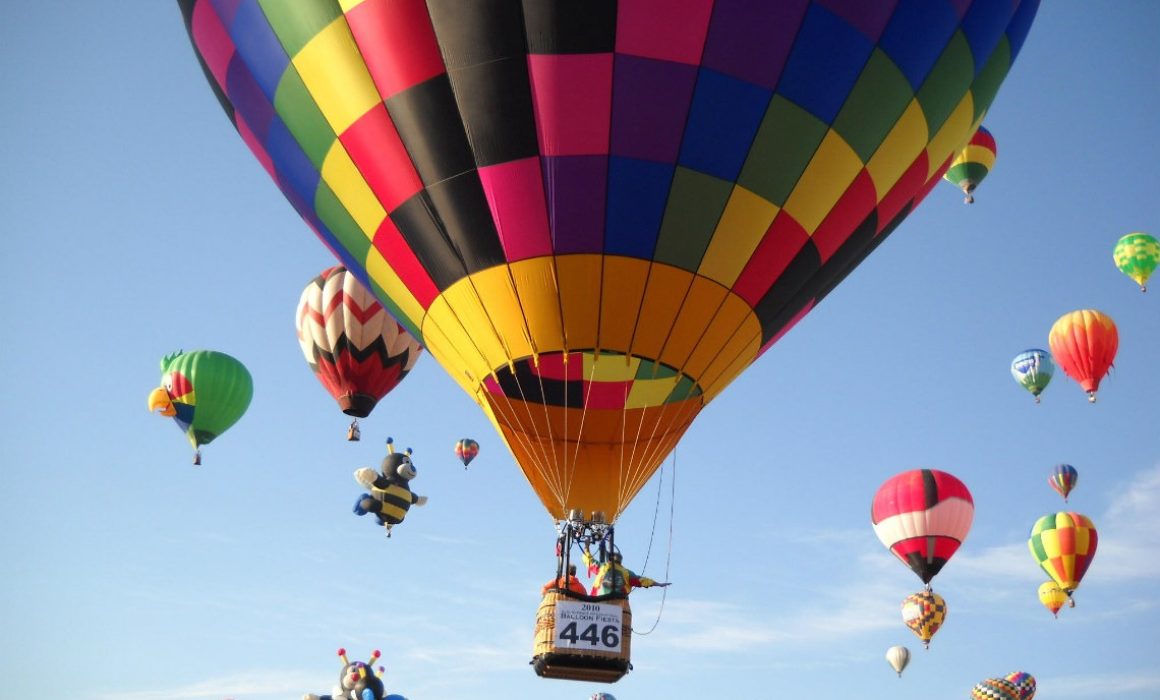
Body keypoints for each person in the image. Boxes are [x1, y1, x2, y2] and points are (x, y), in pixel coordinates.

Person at [581, 547, 670, 596]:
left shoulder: (602, 567)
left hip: (597, 602)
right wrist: (658, 584)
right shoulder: (626, 573)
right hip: (618, 604)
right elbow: (642, 580)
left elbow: (588, 560)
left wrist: (586, 548)